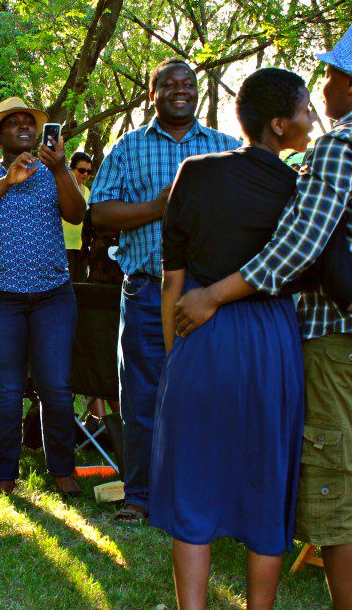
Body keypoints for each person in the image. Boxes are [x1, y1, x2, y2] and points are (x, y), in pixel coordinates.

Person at [173, 24, 352, 610]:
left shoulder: (343, 148)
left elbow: (298, 247)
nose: (322, 90)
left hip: (339, 343)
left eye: (329, 77)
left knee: (336, 493)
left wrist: (213, 293)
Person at [89, 59, 242, 525]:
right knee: (142, 397)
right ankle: (141, 497)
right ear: (151, 94)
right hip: (147, 294)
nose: (181, 91)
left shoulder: (226, 148)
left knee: (209, 397)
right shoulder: (128, 148)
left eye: (188, 85)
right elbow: (99, 214)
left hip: (210, 295)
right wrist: (159, 206)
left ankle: (202, 496)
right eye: (169, 85)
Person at [0, 97, 86, 498]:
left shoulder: (55, 170)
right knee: (7, 388)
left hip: (52, 295)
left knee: (57, 387)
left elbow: (77, 214)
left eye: (30, 121)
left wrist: (61, 167)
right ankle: (4, 478)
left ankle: (62, 468)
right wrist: (6, 180)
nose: (25, 126)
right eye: (14, 122)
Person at [64, 151, 93, 281]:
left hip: (82, 247)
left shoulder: (87, 191)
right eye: (81, 170)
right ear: (71, 168)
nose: (85, 174)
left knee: (81, 286)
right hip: (63, 246)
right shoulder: (62, 187)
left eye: (89, 171)